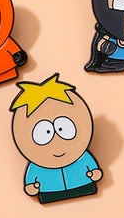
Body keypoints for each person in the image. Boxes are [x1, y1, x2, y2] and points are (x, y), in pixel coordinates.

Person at [11, 74, 102, 204]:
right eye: (45, 133)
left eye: (63, 128)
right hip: (50, 192)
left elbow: (93, 169)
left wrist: (94, 173)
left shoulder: (82, 156)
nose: (57, 141)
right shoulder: (38, 165)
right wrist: (32, 187)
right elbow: (31, 181)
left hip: (83, 185)